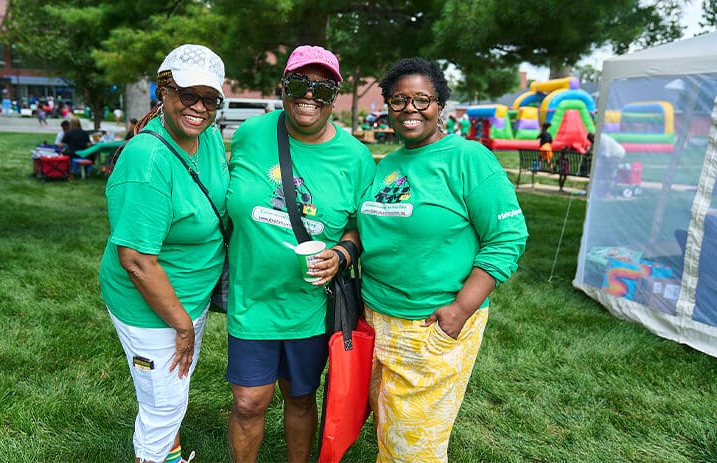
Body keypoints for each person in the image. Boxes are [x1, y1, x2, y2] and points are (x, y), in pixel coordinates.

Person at [357, 57, 529, 463]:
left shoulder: (469, 158)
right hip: (375, 318)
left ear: (440, 105)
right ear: (386, 106)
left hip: (433, 320)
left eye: (422, 99)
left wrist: (460, 310)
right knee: (388, 424)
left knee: (413, 449)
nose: (410, 110)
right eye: (399, 100)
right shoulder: (391, 163)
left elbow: (507, 238)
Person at [225, 44, 376, 463]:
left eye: (322, 89)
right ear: (283, 86)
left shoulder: (356, 158)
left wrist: (343, 254)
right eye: (299, 83)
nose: (309, 95)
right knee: (248, 403)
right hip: (251, 298)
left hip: (309, 306)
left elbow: (362, 226)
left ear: (335, 96)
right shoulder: (252, 134)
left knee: (301, 397)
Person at [98, 44, 229, 463]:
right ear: (164, 92)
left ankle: (164, 449)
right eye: (188, 95)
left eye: (209, 99)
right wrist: (183, 327)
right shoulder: (147, 160)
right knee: (164, 404)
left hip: (188, 295)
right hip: (151, 306)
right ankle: (153, 456)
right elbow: (136, 260)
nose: (199, 107)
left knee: (171, 391)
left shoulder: (206, 135)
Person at [587, 131, 626, 198]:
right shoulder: (595, 140)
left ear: (594, 138)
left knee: (608, 173)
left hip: (616, 155)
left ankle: (607, 192)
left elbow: (605, 156)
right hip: (609, 155)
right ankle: (602, 190)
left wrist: (600, 166)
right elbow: (590, 148)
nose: (592, 142)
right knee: (603, 172)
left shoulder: (603, 141)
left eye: (592, 141)